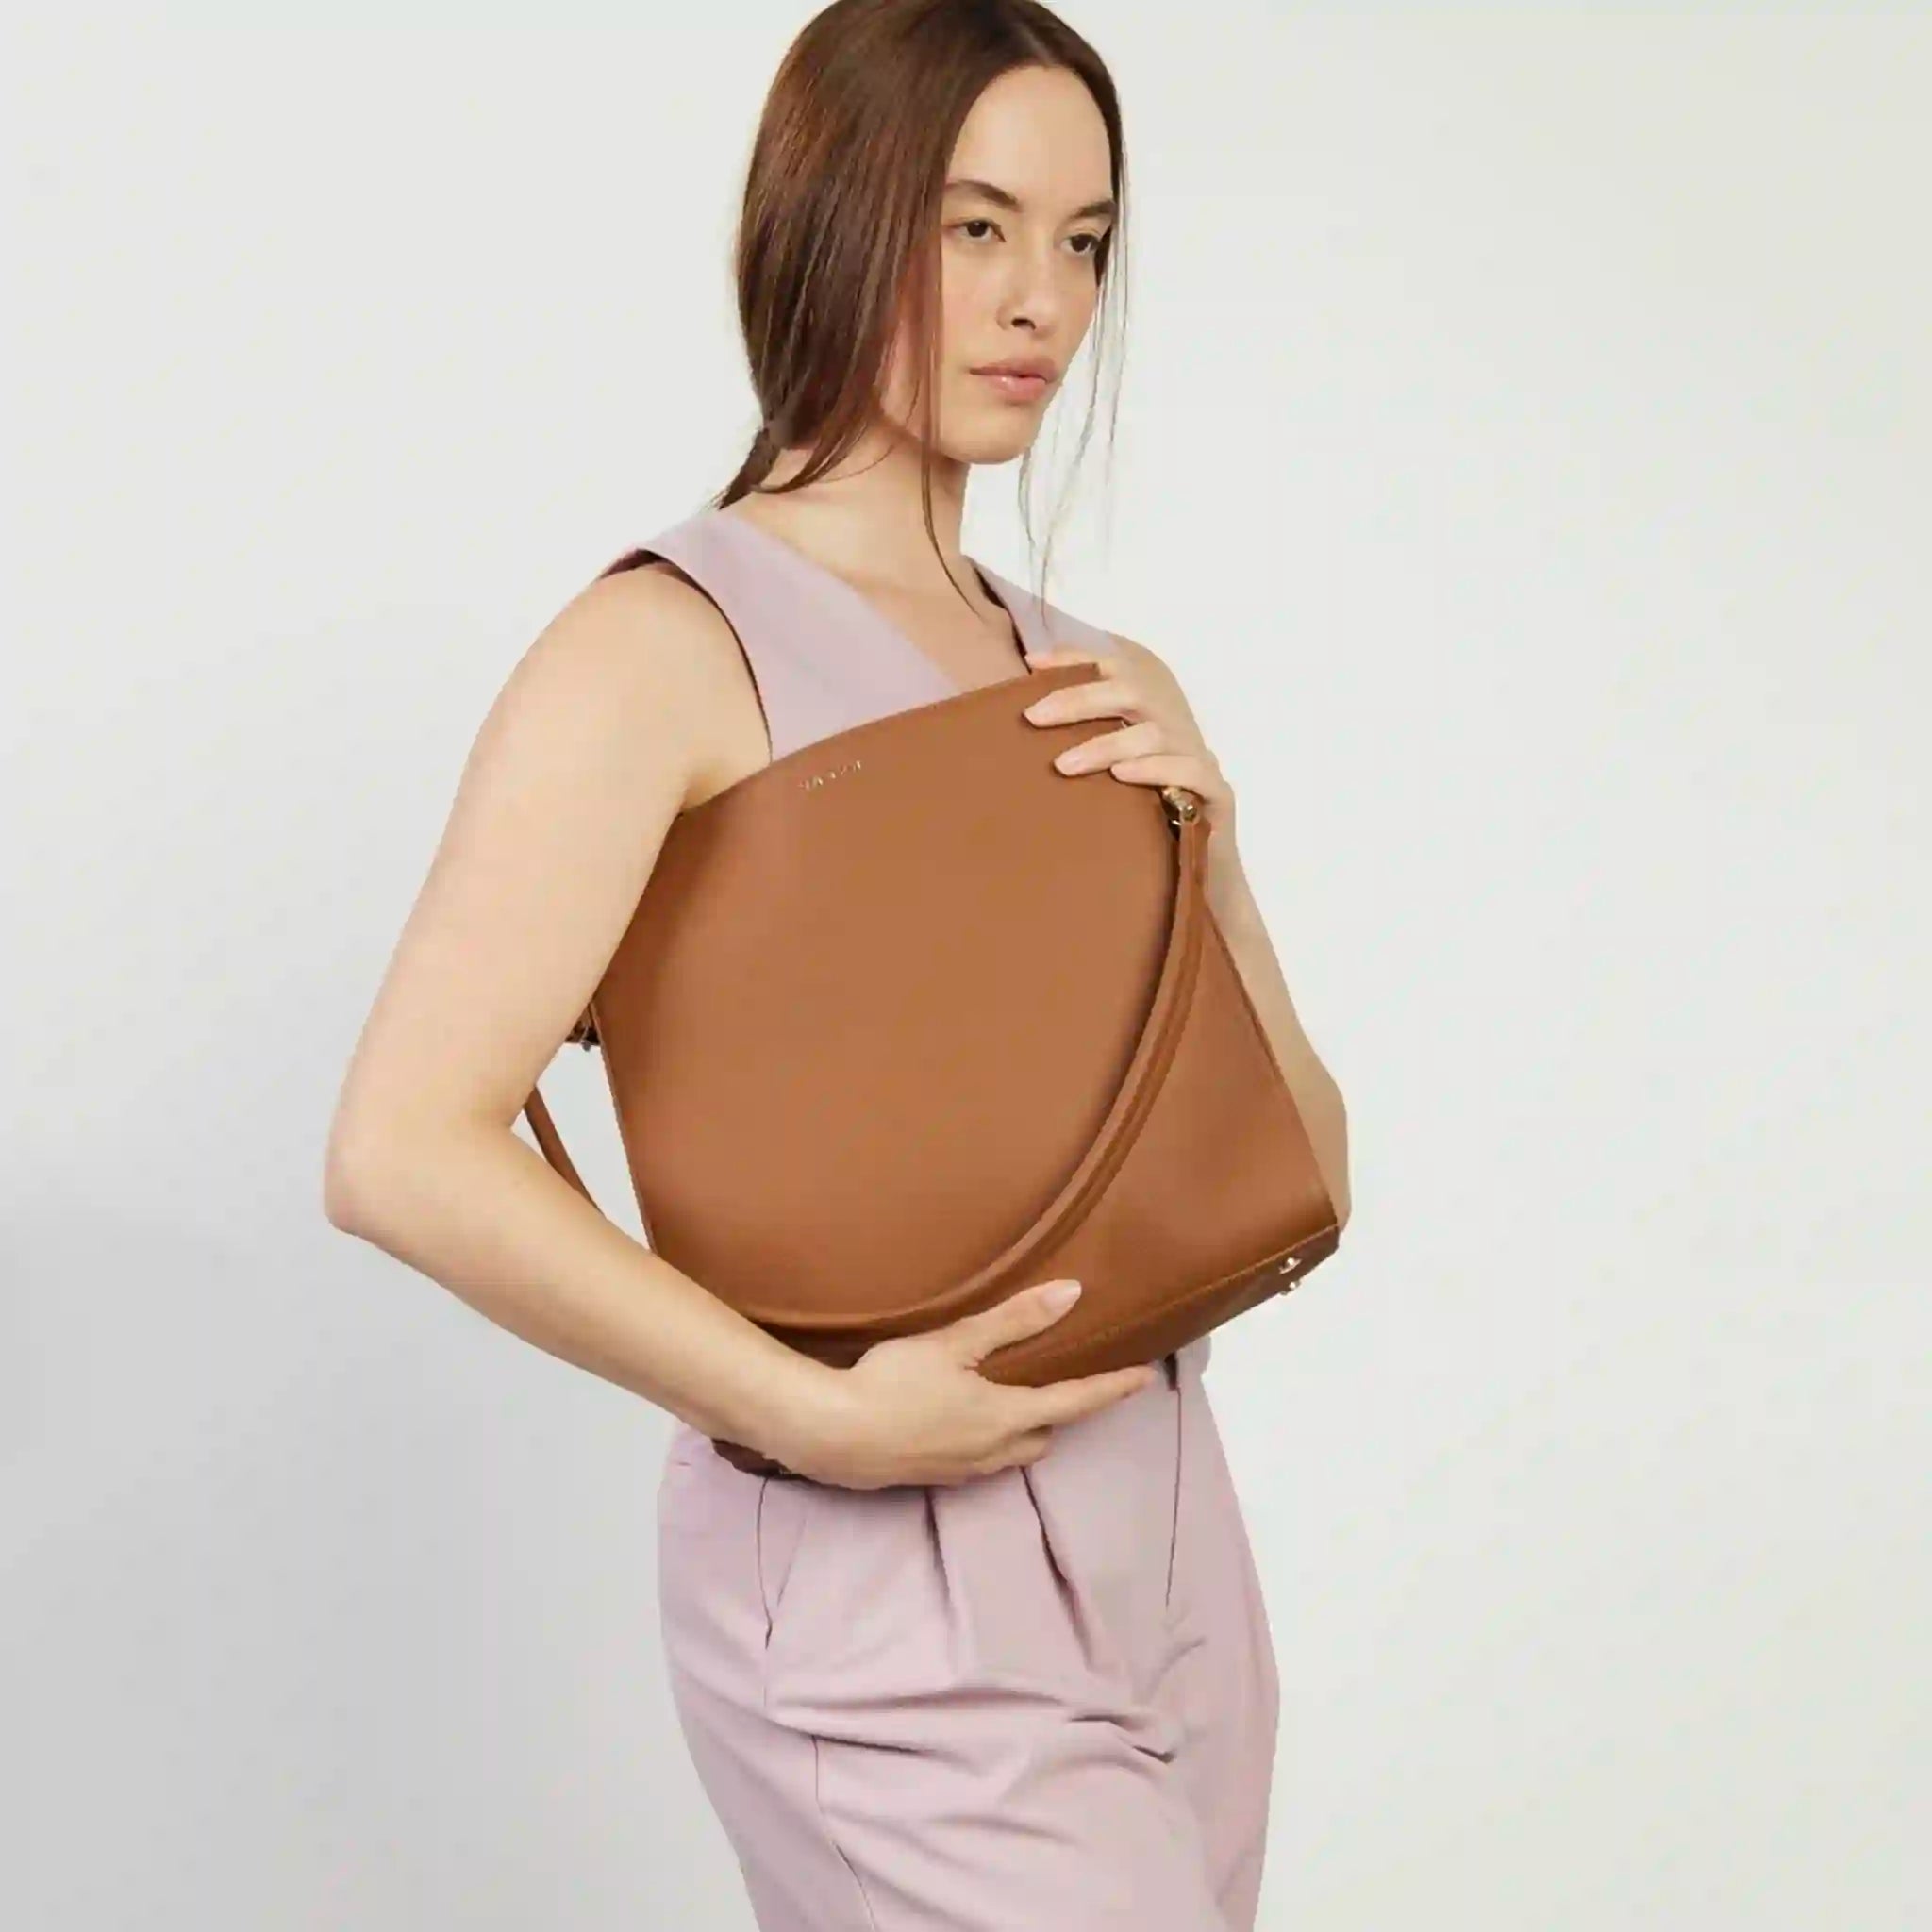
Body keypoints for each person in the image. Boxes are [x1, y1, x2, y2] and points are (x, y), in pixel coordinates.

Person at [324, 3, 1351, 1926]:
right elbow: (400, 1144)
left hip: (1166, 1543)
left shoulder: (1089, 673)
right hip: (883, 1581)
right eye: (973, 227)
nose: (1038, 298)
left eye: (1082, 239)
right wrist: (813, 1415)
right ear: (827, 215)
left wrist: (1214, 854)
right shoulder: (657, 647)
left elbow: (1307, 1173)